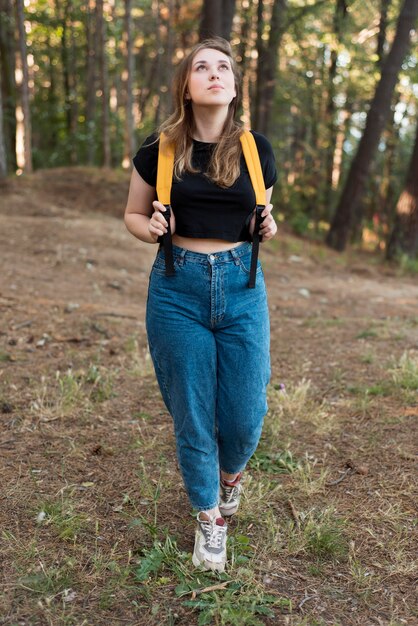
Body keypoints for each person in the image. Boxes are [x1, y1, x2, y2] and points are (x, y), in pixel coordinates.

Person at [124, 36, 277, 572]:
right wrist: (151, 230)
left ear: (234, 86)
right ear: (186, 88)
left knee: (244, 412)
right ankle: (209, 519)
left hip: (241, 286)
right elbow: (133, 215)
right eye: (202, 68)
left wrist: (269, 225)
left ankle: (230, 476)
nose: (214, 74)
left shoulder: (257, 150)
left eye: (223, 68)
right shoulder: (159, 148)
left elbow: (261, 214)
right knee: (192, 412)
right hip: (176, 289)